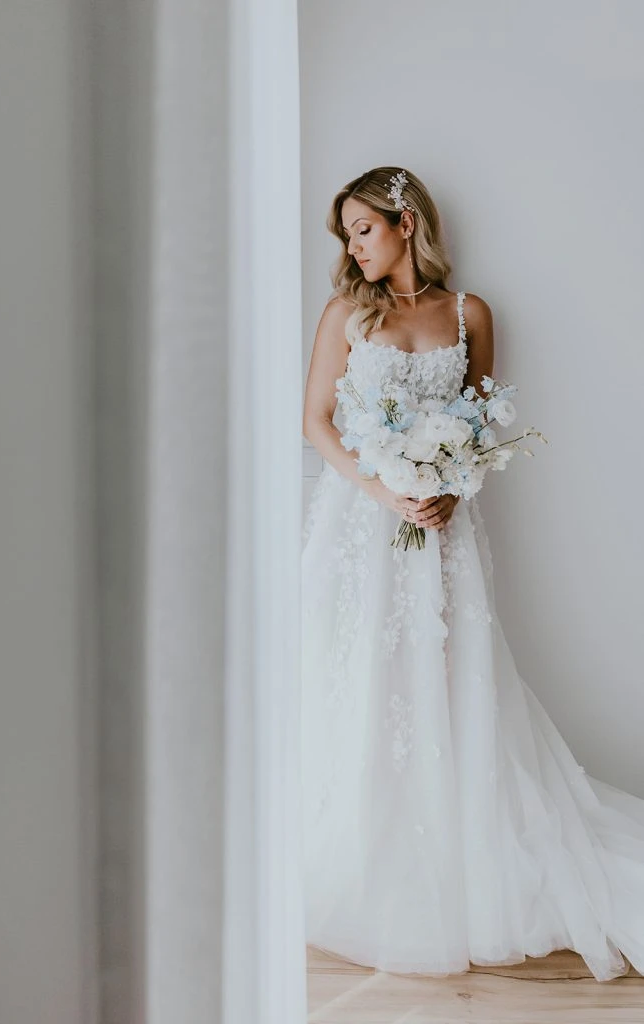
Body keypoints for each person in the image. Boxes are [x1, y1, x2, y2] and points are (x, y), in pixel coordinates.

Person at [300, 165, 644, 983]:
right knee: (352, 671)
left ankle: (460, 838)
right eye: (346, 233)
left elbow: (482, 419)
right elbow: (314, 421)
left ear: (405, 223)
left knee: (448, 675)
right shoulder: (347, 312)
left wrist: (448, 486)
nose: (352, 248)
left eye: (361, 228)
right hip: (359, 522)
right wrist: (387, 489)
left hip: (444, 526)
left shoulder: (468, 313)